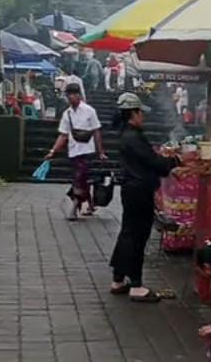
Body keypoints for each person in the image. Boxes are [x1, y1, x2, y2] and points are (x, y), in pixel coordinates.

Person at [109, 92, 181, 302]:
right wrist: (174, 161)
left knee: (127, 233)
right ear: (133, 113)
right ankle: (137, 285)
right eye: (141, 113)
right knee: (137, 236)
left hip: (132, 189)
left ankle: (118, 279)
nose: (143, 117)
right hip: (139, 190)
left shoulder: (127, 134)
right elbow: (154, 163)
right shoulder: (133, 137)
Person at [46, 83, 106, 220]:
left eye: (74, 94)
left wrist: (100, 151)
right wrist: (53, 151)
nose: (72, 97)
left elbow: (97, 130)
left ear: (79, 95)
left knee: (79, 178)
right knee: (82, 179)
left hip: (87, 150)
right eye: (69, 95)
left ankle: (74, 207)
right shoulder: (67, 114)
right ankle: (90, 204)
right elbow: (63, 134)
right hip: (74, 151)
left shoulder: (89, 111)